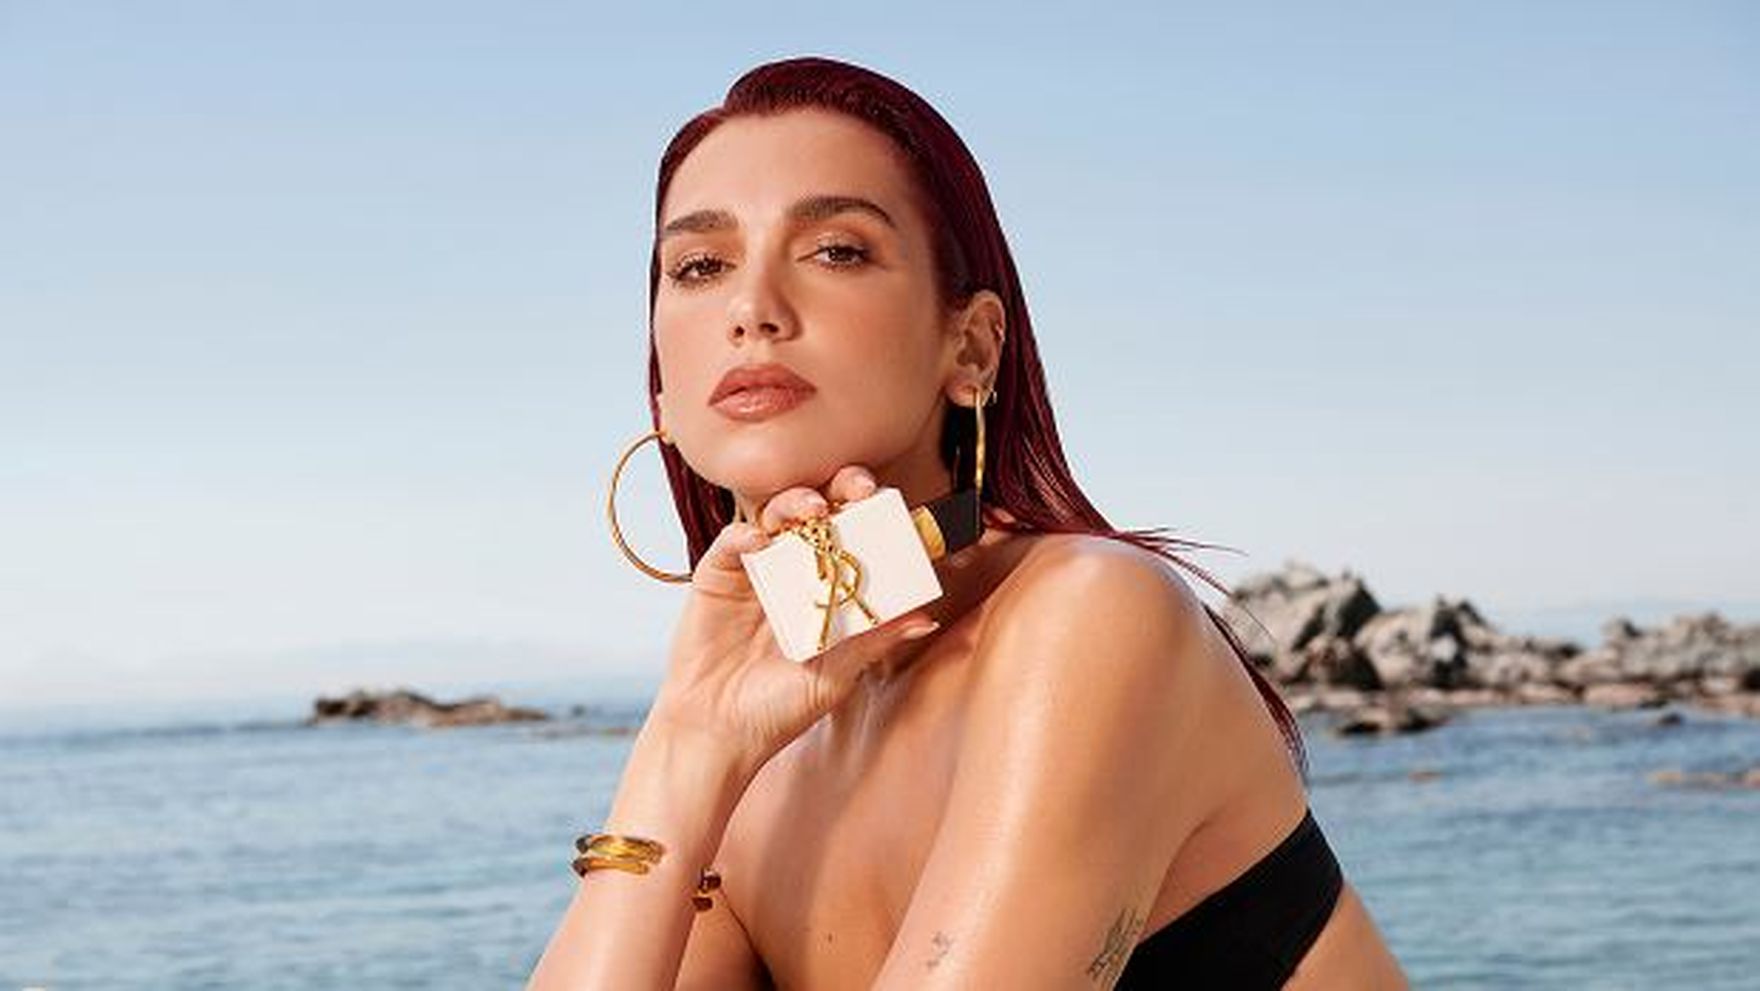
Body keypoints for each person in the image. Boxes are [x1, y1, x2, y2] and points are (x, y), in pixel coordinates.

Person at [528, 55, 1409, 989]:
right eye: (701, 266)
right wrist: (685, 743)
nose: (752, 309)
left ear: (973, 346)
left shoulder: (1088, 615)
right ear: (663, 394)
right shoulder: (755, 767)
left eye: (836, 251)